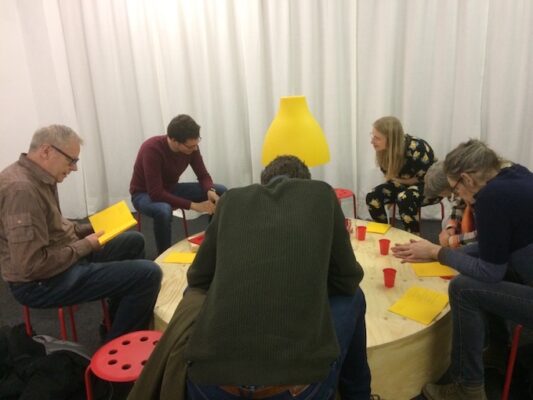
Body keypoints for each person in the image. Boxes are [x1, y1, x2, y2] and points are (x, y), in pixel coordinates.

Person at [128, 155, 372, 400]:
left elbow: (198, 279)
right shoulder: (322, 195)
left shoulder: (231, 200)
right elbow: (348, 279)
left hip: (209, 384)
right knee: (354, 297)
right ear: (304, 183)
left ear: (264, 182)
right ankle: (358, 394)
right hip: (291, 387)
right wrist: (309, 284)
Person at [391, 139, 533, 400]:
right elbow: (494, 249)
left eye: (455, 190)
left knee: (462, 288)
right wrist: (436, 254)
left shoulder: (491, 198)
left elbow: (490, 271)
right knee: (480, 278)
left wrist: (438, 253)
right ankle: (497, 352)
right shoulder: (516, 174)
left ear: (466, 179)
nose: (457, 198)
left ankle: (467, 388)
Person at [0, 125, 162, 342]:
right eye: (71, 160)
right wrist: (85, 245)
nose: (74, 168)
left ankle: (113, 323)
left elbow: (56, 229)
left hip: (59, 259)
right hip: (40, 283)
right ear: (46, 151)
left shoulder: (39, 177)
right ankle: (118, 345)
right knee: (148, 274)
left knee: (134, 241)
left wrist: (93, 227)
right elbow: (31, 266)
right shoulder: (22, 190)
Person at [130, 114, 227, 255]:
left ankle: (212, 242)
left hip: (170, 189)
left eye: (196, 144)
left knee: (220, 191)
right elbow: (156, 193)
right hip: (143, 194)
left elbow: (203, 175)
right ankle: (164, 255)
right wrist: (194, 206)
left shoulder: (192, 148)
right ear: (174, 141)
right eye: (190, 146)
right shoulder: (151, 149)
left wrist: (209, 190)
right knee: (163, 210)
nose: (195, 149)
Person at [366, 116, 437, 234]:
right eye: (372, 136)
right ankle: (383, 234)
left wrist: (401, 185)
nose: (372, 141)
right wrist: (402, 184)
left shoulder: (418, 148)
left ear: (391, 139)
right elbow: (391, 177)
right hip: (403, 185)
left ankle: (413, 238)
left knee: (405, 198)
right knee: (372, 196)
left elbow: (427, 179)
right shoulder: (383, 151)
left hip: (430, 185)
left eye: (377, 138)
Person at [424, 161, 477, 248]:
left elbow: (484, 236)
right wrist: (451, 226)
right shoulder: (463, 191)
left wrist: (452, 240)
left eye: (451, 195)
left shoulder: (483, 198)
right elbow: (459, 204)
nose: (454, 198)